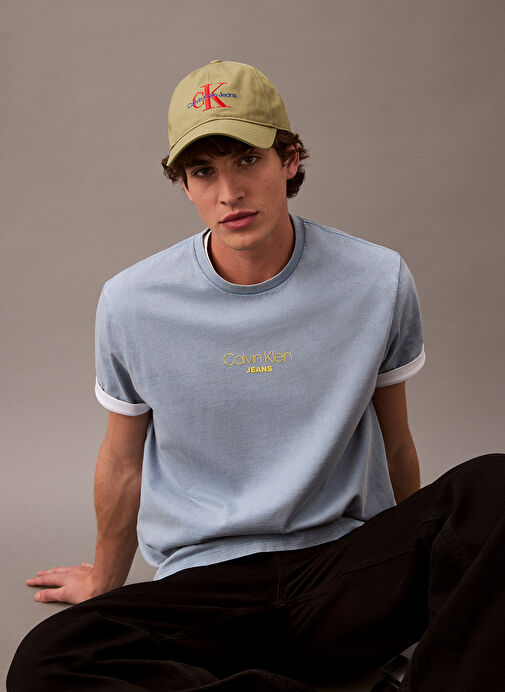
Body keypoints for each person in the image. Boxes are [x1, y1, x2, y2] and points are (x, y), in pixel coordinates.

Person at [7, 60, 504, 692]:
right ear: (184, 185)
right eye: (203, 171)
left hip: (342, 572)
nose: (229, 192)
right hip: (207, 589)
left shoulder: (377, 280)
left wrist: (431, 573)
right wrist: (105, 582)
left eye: (247, 160)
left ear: (289, 160)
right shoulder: (131, 302)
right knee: (48, 659)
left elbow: (396, 443)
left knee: (495, 488)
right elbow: (123, 462)